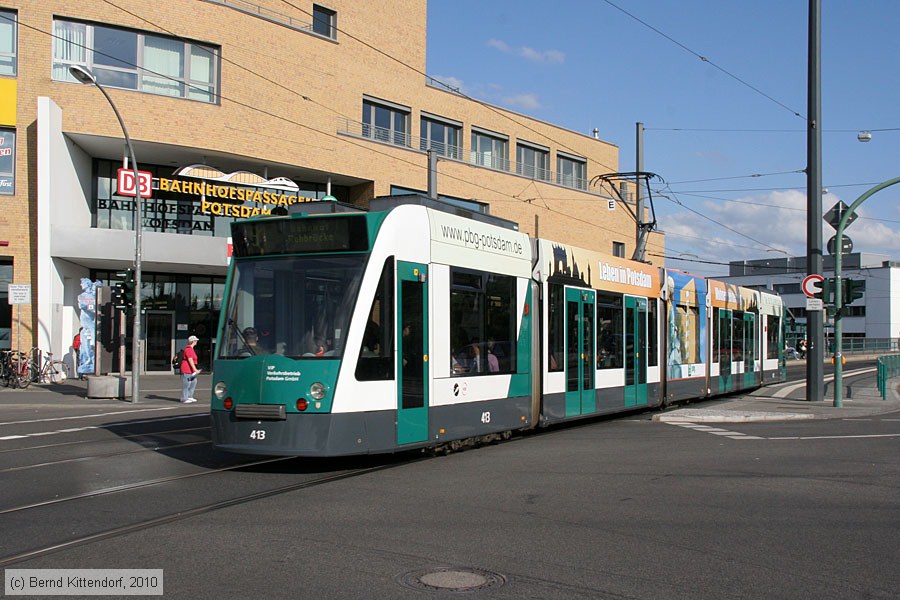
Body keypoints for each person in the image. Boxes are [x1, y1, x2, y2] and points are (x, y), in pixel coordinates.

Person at [180, 335, 201, 403]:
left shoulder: (191, 349)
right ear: (192, 341)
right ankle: (184, 398)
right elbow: (190, 360)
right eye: (195, 341)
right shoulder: (188, 349)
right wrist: (195, 369)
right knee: (187, 383)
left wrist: (194, 369)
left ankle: (189, 396)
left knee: (193, 382)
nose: (196, 342)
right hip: (186, 369)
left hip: (190, 369)